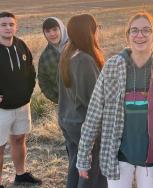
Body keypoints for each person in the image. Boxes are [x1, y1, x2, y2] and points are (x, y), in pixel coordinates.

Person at [76, 11, 153, 188]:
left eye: (146, 30)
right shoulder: (113, 66)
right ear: (127, 35)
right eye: (135, 30)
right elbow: (94, 112)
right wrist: (83, 154)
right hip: (118, 156)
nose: (140, 35)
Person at [58, 14, 107, 188]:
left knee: (75, 167)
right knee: (91, 173)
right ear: (90, 32)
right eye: (96, 28)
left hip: (68, 121)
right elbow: (94, 101)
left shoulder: (67, 53)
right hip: (85, 125)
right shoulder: (84, 60)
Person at [0, 12, 41, 188]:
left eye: (11, 24)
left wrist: (28, 93)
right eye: (3, 25)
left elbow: (31, 70)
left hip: (23, 105)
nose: (8, 28)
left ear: (15, 26)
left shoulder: (21, 45)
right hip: (1, 109)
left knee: (18, 139)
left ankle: (20, 174)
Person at [38, 17, 68, 103]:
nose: (52, 34)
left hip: (85, 102)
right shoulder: (45, 57)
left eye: (55, 29)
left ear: (61, 29)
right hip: (64, 106)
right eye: (48, 31)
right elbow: (43, 82)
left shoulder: (76, 47)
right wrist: (58, 100)